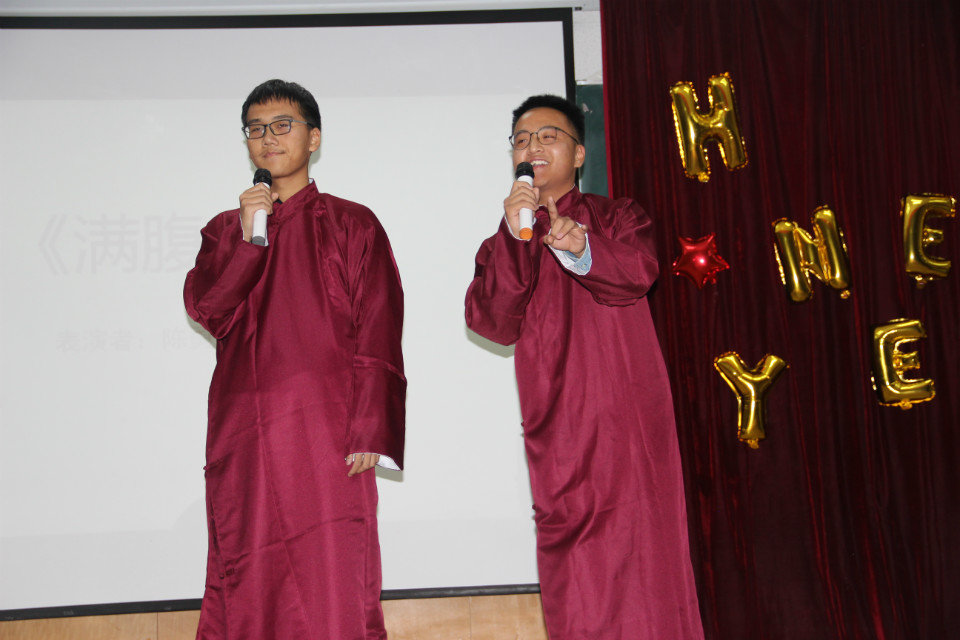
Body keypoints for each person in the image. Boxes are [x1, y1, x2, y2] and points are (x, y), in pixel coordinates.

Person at [465, 95, 704, 639]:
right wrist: (516, 237)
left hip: (627, 420)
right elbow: (493, 321)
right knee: (574, 572)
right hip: (558, 430)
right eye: (521, 140)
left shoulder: (618, 217)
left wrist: (581, 249)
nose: (532, 147)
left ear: (578, 154)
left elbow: (637, 274)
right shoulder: (503, 241)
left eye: (548, 136)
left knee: (645, 555)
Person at [184, 79, 405, 640]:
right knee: (249, 572)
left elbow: (379, 325)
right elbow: (209, 310)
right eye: (256, 129)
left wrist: (371, 428)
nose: (268, 137)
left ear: (314, 138)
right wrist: (247, 241)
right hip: (244, 434)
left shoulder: (352, 223)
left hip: (326, 432)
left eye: (283, 125)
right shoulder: (224, 230)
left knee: (332, 573)